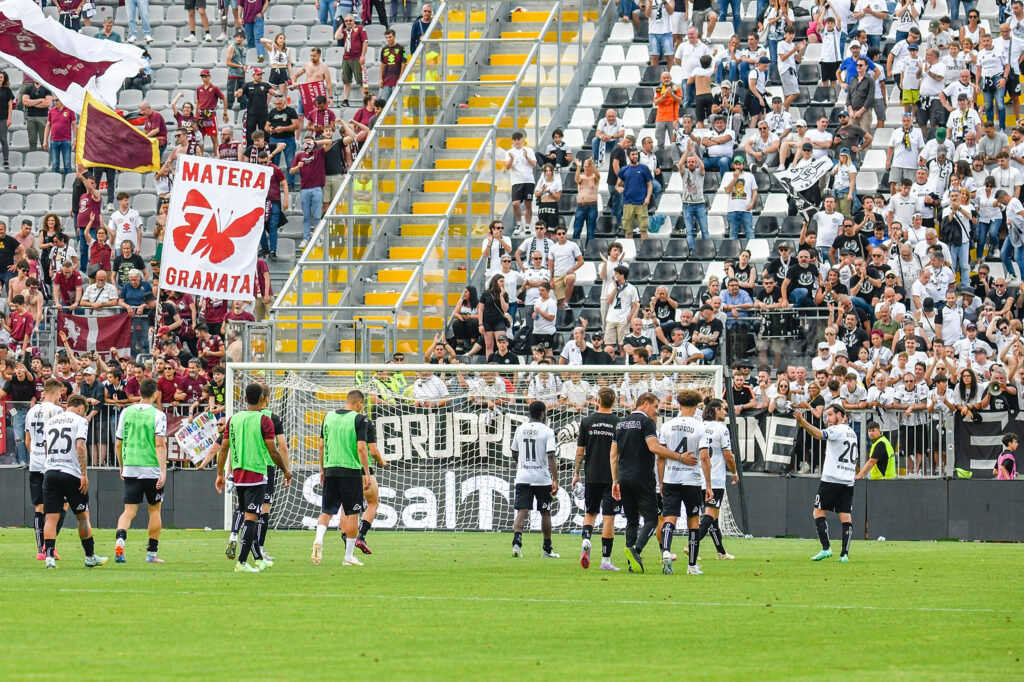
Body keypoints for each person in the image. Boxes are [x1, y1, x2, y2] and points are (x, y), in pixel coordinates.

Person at [611, 392, 690, 574]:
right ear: (645, 404)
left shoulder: (620, 423)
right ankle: (635, 550)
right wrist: (679, 457)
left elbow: (613, 455)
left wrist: (615, 480)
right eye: (655, 407)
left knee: (631, 520)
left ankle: (632, 565)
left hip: (623, 477)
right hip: (643, 478)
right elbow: (653, 447)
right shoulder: (646, 422)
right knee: (652, 519)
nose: (656, 411)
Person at [215, 383, 291, 572]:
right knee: (252, 518)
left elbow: (223, 448)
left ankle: (257, 558)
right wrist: (285, 470)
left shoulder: (233, 419)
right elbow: (273, 451)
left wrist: (220, 474)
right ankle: (241, 562)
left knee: (244, 512)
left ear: (245, 399)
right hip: (256, 473)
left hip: (238, 473)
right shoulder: (264, 420)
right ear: (263, 399)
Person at [40, 394, 108, 569]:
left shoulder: (51, 422)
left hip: (50, 472)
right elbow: (80, 446)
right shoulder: (80, 421)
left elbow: (46, 447)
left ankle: (49, 558)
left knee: (51, 517)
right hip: (71, 473)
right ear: (80, 408)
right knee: (82, 516)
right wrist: (83, 474)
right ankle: (90, 556)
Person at [311, 390, 373, 566]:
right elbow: (361, 448)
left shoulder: (328, 416)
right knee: (353, 513)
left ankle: (319, 540)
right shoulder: (360, 420)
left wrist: (322, 469)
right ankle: (348, 556)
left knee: (327, 511)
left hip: (330, 469)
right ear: (359, 403)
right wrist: (366, 473)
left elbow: (321, 446)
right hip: (350, 471)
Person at [658, 389, 713, 576]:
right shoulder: (700, 427)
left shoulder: (667, 426)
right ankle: (691, 567)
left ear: (679, 405)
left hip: (671, 478)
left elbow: (660, 457)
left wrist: (661, 481)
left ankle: (665, 551)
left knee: (669, 518)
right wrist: (709, 485)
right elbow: (704, 458)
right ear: (697, 406)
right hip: (691, 480)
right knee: (693, 522)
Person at [113, 378, 168, 564]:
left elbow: (118, 443)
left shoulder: (126, 412)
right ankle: (151, 554)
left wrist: (122, 465)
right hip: (150, 468)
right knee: (155, 511)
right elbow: (159, 444)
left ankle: (120, 539)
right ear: (155, 394)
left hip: (130, 466)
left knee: (128, 511)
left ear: (139, 394)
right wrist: (163, 471)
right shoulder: (158, 415)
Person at [794, 403, 858, 561]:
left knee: (818, 512)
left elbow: (818, 434)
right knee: (845, 516)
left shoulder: (836, 430)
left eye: (830, 415)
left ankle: (826, 548)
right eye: (827, 415)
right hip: (848, 479)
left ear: (840, 415)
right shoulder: (851, 432)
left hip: (832, 478)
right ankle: (844, 554)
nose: (827, 418)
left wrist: (802, 422)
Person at [572, 387, 621, 570]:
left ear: (597, 401)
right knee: (609, 518)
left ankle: (586, 539)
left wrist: (577, 474)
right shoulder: (618, 422)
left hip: (591, 475)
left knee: (590, 514)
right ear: (614, 402)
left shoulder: (587, 422)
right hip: (612, 477)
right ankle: (606, 561)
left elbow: (579, 453)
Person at [509, 400, 559, 559]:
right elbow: (551, 456)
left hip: (523, 476)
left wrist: (524, 465)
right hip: (541, 478)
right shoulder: (547, 431)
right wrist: (555, 479)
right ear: (543, 413)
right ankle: (547, 549)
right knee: (545, 511)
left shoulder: (520, 429)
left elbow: (514, 453)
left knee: (522, 511)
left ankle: (517, 544)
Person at [24, 379, 65, 560]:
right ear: (56, 393)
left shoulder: (31, 411)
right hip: (53, 464)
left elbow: (27, 441)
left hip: (35, 463)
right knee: (61, 505)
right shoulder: (58, 411)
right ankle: (50, 545)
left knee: (39, 506)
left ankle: (40, 550)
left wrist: (36, 455)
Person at [696, 398, 737, 560]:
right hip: (714, 478)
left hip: (697, 477)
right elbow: (729, 456)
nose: (725, 412)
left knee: (713, 517)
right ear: (716, 411)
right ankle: (691, 544)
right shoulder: (721, 429)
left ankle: (721, 552)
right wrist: (734, 473)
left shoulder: (698, 427)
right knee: (711, 515)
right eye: (723, 409)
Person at [507, 130, 537, 235]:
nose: (517, 141)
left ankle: (528, 226)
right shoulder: (509, 152)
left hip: (528, 180)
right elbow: (507, 167)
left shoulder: (529, 150)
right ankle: (519, 224)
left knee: (528, 204)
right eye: (515, 140)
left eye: (518, 139)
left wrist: (526, 157)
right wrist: (511, 159)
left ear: (522, 139)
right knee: (515, 203)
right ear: (513, 141)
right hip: (516, 181)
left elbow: (534, 164)